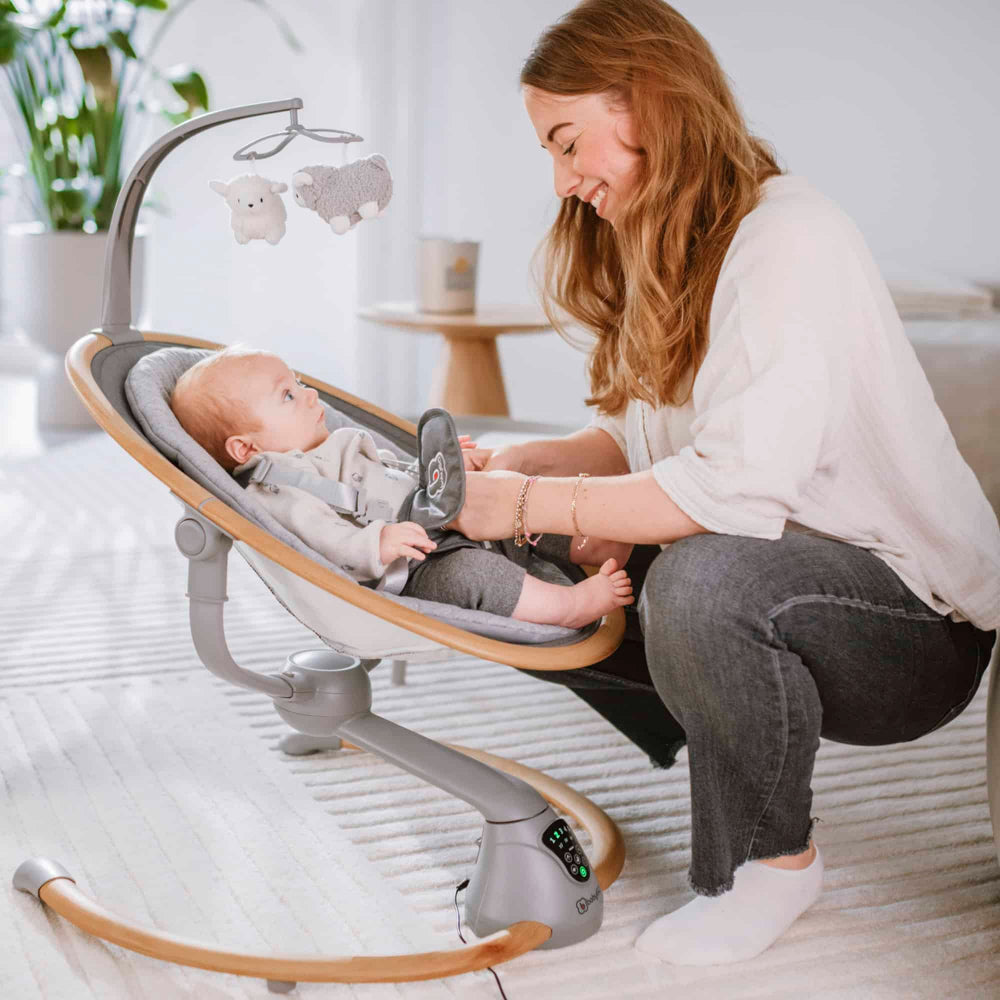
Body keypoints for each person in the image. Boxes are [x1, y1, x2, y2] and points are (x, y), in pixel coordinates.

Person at [445, 0, 1000, 967]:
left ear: (649, 99)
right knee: (500, 556)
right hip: (783, 568)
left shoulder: (788, 239)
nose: (564, 181)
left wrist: (533, 502)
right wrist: (530, 465)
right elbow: (640, 433)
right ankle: (719, 725)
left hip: (916, 629)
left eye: (568, 143)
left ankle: (770, 867)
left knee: (700, 578)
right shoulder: (669, 239)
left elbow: (732, 494)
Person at [169, 346, 634, 629]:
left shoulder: (336, 444)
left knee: (503, 495)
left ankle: (587, 542)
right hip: (413, 567)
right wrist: (379, 543)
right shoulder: (280, 488)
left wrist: (440, 471)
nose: (310, 395)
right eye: (287, 395)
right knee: (474, 576)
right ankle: (568, 606)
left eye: (300, 383)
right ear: (245, 448)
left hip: (435, 518)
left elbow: (391, 479)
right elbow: (322, 538)